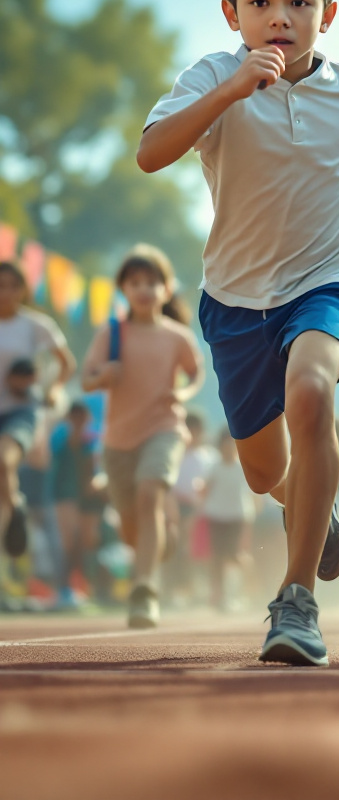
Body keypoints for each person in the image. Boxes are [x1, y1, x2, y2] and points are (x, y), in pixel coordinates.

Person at [137, 0, 339, 667]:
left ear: (326, 14)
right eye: (260, 1)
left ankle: (296, 602)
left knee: (312, 388)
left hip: (329, 276)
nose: (280, 17)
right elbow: (149, 153)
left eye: (299, 2)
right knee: (267, 473)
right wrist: (231, 91)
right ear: (232, 13)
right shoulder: (211, 75)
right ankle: (310, 505)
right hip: (235, 297)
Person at [82, 245, 204, 628]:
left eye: (152, 282)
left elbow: (196, 373)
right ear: (123, 289)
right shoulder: (111, 333)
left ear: (167, 289)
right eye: (135, 283)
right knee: (130, 525)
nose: (144, 289)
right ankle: (157, 543)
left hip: (164, 429)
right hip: (118, 440)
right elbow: (86, 380)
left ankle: (144, 590)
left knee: (150, 492)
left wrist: (181, 394)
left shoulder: (177, 336)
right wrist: (104, 377)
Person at [0, 260, 75, 563]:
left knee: (3, 462)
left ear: (23, 289)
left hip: (22, 411)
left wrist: (53, 389)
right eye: (0, 286)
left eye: (12, 285)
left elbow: (66, 363)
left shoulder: (35, 325)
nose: (5, 292)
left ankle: (16, 507)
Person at [49, 400, 103, 607]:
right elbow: (55, 455)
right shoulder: (60, 435)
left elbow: (93, 468)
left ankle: (81, 587)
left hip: (86, 497)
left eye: (83, 416)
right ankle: (64, 589)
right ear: (70, 417)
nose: (80, 420)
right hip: (64, 494)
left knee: (85, 541)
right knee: (69, 540)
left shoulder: (92, 439)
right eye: (76, 416)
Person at [168, 410, 217, 603]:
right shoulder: (173, 454)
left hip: (200, 512)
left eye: (197, 430)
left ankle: (197, 589)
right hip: (174, 508)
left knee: (197, 553)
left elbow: (209, 487)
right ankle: (174, 589)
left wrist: (197, 511)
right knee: (174, 550)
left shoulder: (209, 457)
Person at [204, 430, 256, 610]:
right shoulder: (214, 467)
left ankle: (242, 592)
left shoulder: (243, 467)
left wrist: (252, 513)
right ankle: (219, 595)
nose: (228, 448)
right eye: (224, 445)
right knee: (218, 557)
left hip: (237, 517)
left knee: (235, 555)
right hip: (217, 516)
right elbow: (206, 489)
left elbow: (253, 493)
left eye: (231, 445)